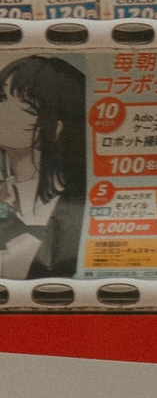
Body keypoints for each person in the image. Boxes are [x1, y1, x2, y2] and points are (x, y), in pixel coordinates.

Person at [0, 52, 85, 278]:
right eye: (1, 98)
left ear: (56, 127)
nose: (2, 112)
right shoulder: (6, 193)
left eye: (27, 108)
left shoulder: (73, 204)